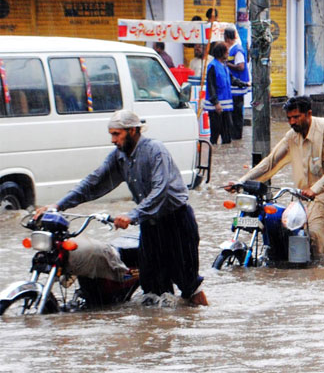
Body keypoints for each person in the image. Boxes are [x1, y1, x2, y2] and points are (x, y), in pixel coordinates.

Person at [34, 110, 207, 306]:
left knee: (188, 282)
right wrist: (57, 206)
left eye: (117, 134)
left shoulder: (155, 150)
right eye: (111, 134)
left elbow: (162, 190)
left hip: (176, 221)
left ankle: (200, 322)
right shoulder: (119, 157)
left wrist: (132, 215)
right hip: (150, 226)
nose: (113, 140)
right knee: (152, 287)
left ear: (132, 131)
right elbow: (93, 183)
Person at [226, 96, 324, 262]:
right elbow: (270, 162)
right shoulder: (292, 136)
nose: (292, 122)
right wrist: (242, 181)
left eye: (296, 117)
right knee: (312, 239)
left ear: (308, 114)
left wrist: (315, 188)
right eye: (289, 118)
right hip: (320, 200)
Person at [204, 42, 233, 145]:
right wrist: (216, 102)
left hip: (226, 106)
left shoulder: (224, 65)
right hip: (216, 106)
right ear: (222, 53)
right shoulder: (212, 66)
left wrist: (245, 84)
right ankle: (213, 153)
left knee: (227, 132)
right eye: (227, 52)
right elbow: (211, 85)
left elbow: (231, 80)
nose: (228, 53)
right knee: (215, 132)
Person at [223, 27, 249, 140]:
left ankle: (237, 135)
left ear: (227, 38)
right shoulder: (232, 49)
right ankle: (234, 134)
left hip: (238, 86)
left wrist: (227, 64)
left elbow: (241, 66)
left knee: (237, 112)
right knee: (234, 112)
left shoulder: (237, 49)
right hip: (234, 86)